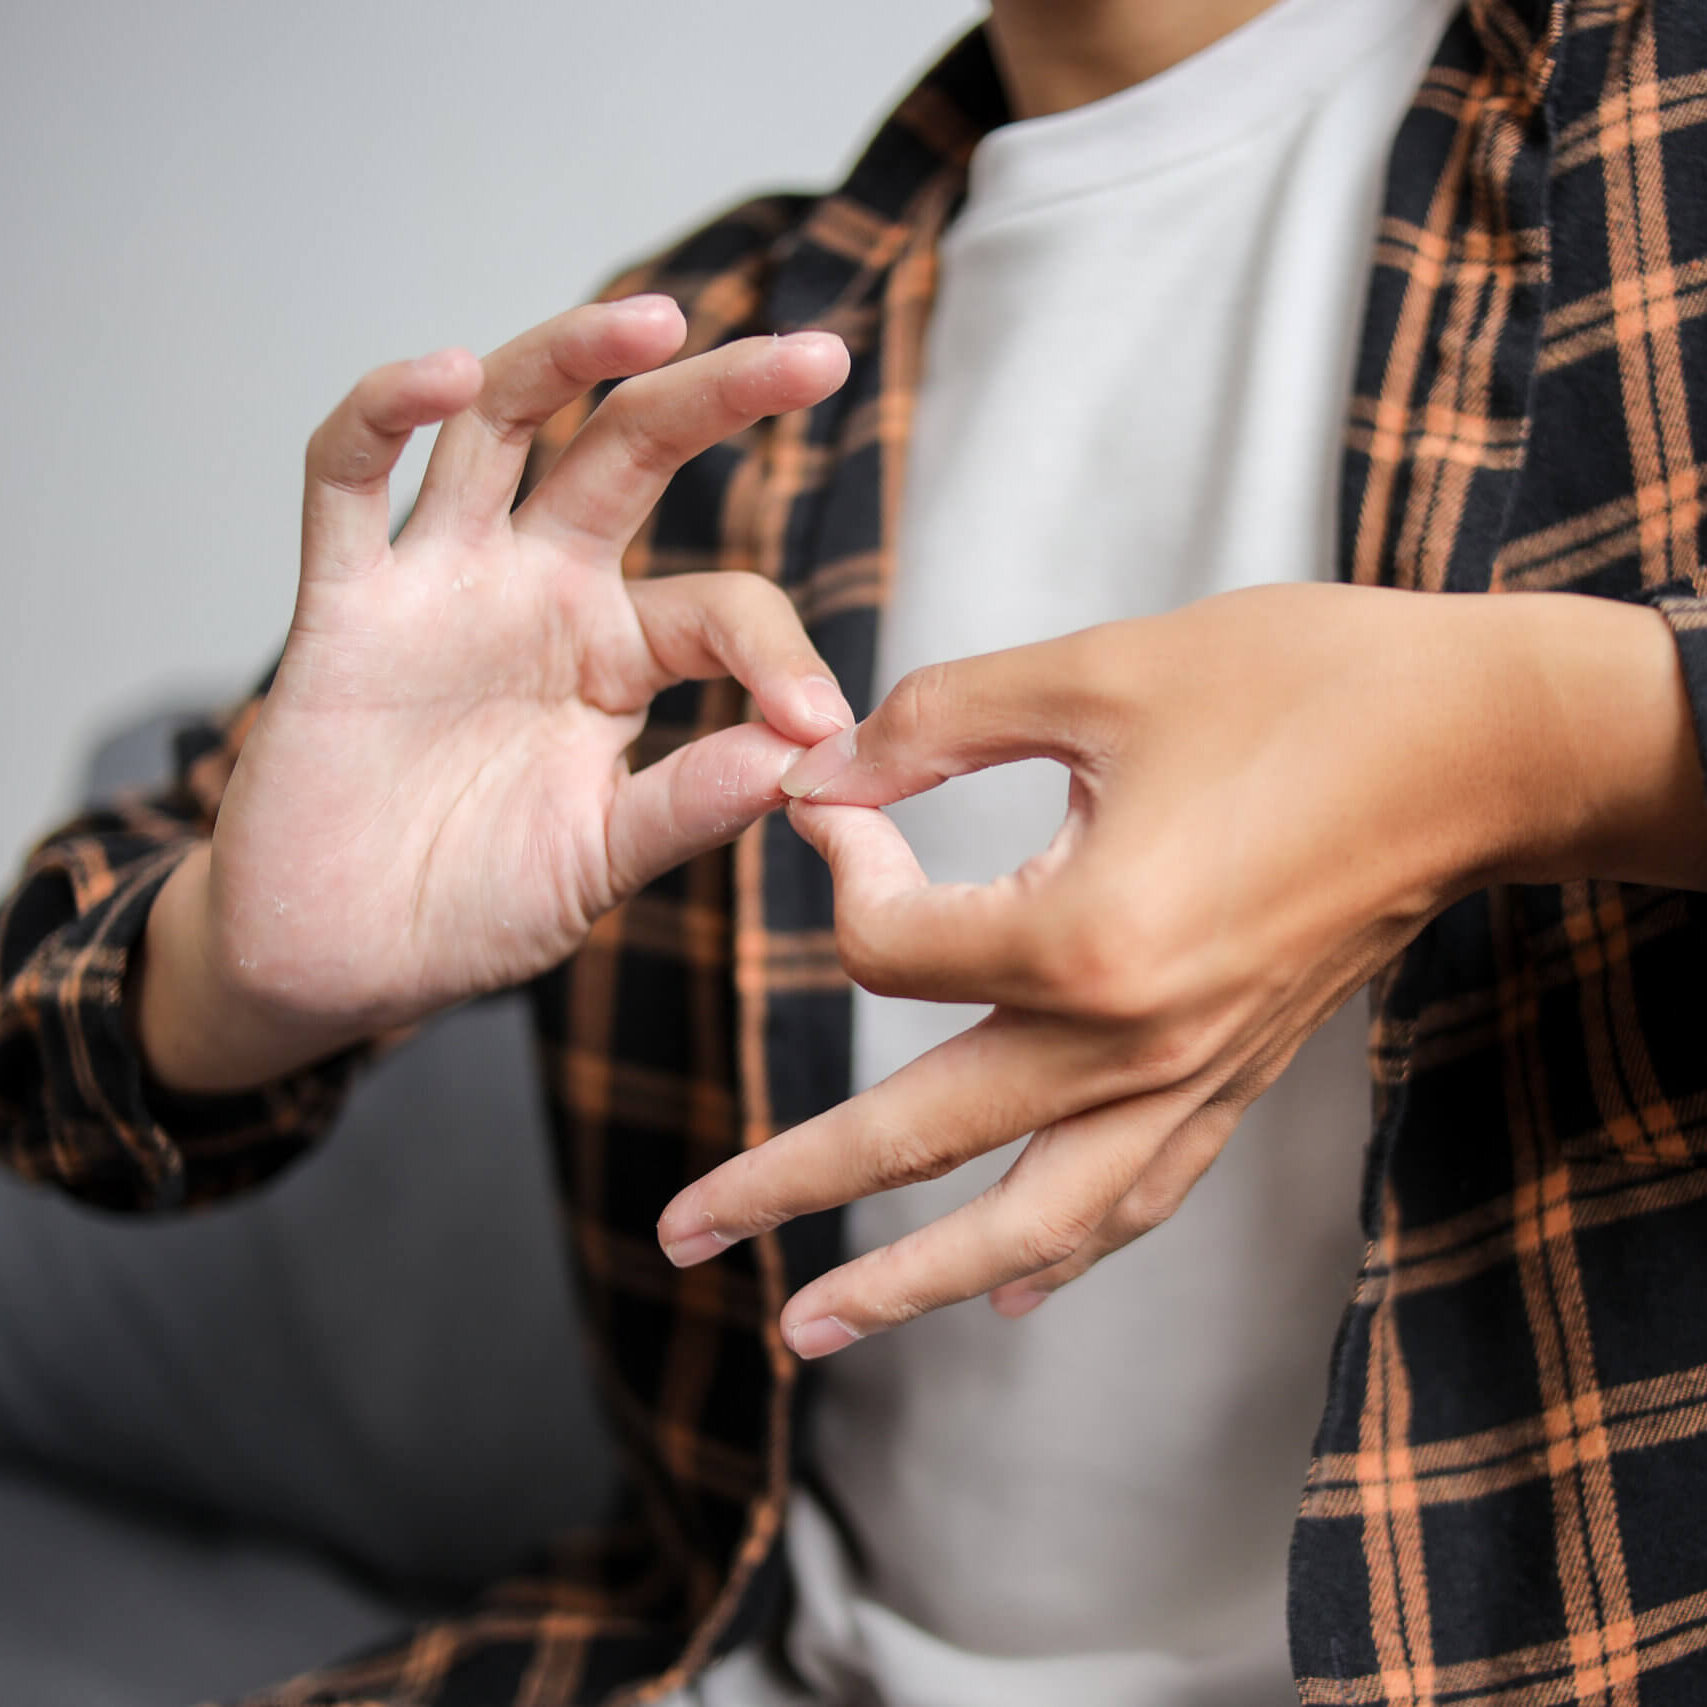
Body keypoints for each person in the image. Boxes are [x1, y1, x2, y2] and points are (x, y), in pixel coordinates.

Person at [5, 0, 1707, 1703]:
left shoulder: (1660, 125)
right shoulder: (721, 364)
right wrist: (237, 964)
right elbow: (53, 1031)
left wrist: (1518, 740)